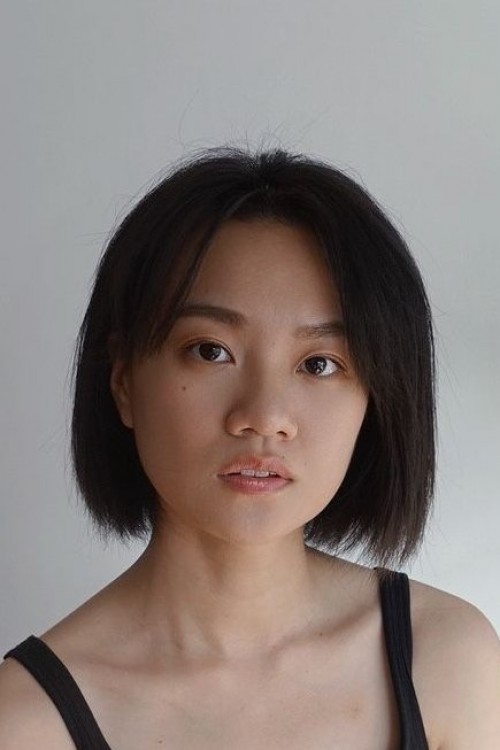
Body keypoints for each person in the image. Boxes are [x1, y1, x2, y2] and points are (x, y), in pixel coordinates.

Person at [0, 145, 499, 749]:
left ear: (377, 397)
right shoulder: (25, 722)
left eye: (319, 363)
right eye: (210, 351)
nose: (264, 416)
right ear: (124, 381)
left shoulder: (448, 663)